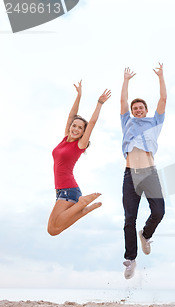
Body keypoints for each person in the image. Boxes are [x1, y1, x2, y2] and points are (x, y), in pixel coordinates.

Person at [120, 64, 166, 279]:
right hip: (130, 174)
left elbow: (163, 100)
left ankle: (146, 235)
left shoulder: (154, 122)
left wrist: (161, 77)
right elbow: (122, 102)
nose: (138, 110)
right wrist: (126, 80)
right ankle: (130, 259)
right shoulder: (127, 121)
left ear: (146, 111)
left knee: (159, 211)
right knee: (130, 218)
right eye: (135, 108)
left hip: (149, 172)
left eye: (141, 108)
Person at [48, 81, 111, 236]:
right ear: (70, 127)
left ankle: (82, 203)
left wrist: (99, 103)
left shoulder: (79, 145)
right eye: (74, 126)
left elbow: (92, 124)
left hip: (69, 190)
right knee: (54, 230)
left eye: (79, 128)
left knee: (52, 230)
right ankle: (86, 208)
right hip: (62, 191)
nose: (75, 129)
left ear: (83, 132)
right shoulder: (64, 139)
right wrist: (79, 95)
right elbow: (71, 115)